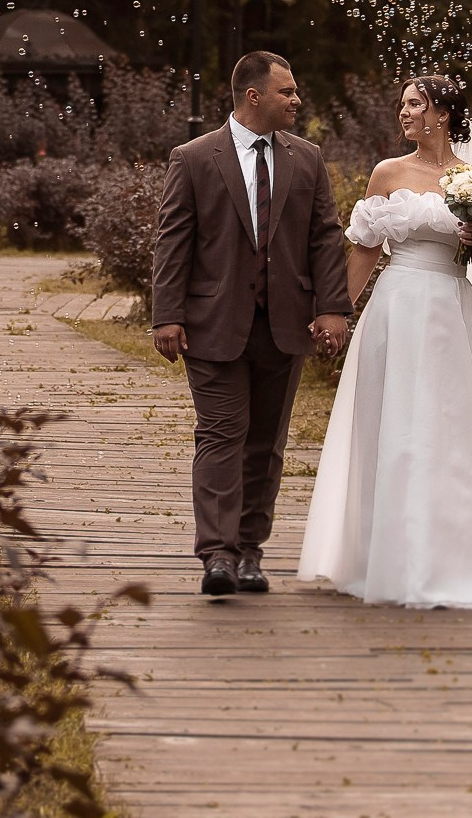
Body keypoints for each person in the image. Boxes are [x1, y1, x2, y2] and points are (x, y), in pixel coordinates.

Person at [297, 74, 472, 607]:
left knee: (445, 427)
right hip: (396, 308)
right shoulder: (387, 173)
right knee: (393, 425)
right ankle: (387, 556)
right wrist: (337, 312)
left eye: (415, 104)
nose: (404, 113)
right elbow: (365, 251)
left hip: (449, 307)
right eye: (402, 104)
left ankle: (451, 557)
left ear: (442, 113)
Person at [151, 51, 352, 596]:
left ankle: (248, 553)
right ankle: (216, 554)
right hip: (212, 322)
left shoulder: (307, 159)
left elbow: (324, 237)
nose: (296, 100)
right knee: (221, 435)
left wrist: (332, 307)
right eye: (287, 92)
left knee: (266, 442)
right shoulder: (194, 158)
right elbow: (175, 240)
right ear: (253, 95)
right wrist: (166, 314)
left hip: (285, 324)